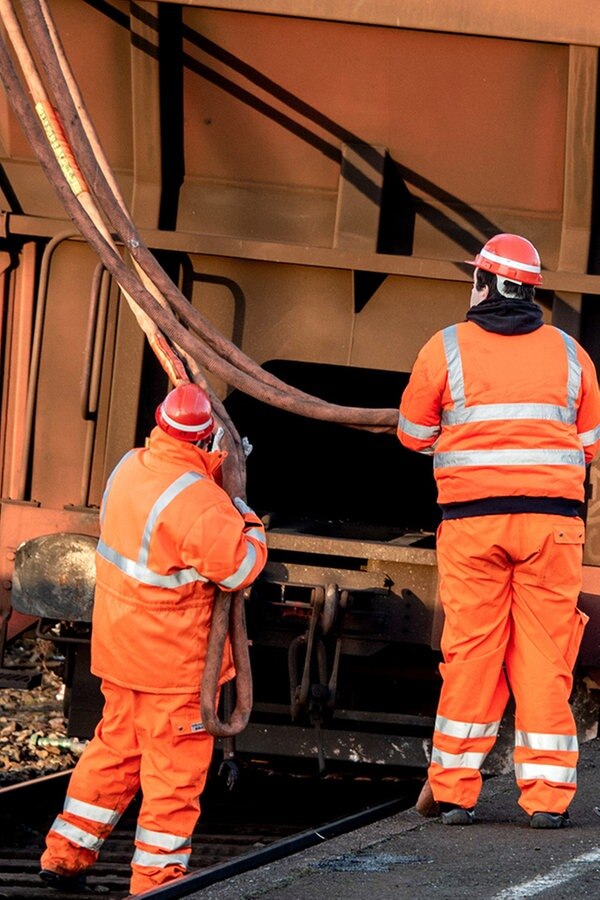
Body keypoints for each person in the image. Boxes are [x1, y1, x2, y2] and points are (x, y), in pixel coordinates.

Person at [397, 233, 600, 829]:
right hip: (552, 532)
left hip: (473, 529)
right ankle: (547, 800)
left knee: (471, 655)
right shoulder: (571, 354)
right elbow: (588, 445)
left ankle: (457, 793)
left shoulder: (446, 348)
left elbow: (413, 432)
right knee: (545, 659)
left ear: (487, 283)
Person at [39, 382, 268, 895]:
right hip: (173, 666)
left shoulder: (130, 467)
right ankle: (155, 883)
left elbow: (175, 503)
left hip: (123, 651)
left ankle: (64, 855)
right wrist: (249, 521)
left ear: (161, 424)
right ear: (205, 436)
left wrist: (214, 472)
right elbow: (239, 567)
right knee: (174, 778)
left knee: (113, 753)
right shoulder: (204, 506)